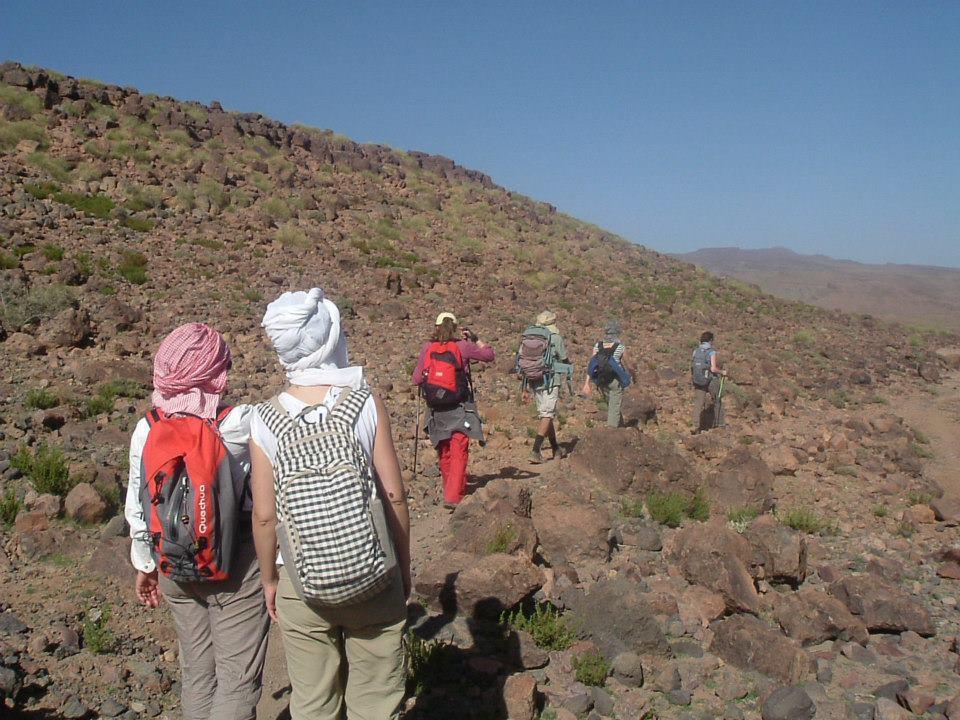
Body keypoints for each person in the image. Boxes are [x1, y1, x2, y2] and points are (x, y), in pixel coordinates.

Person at [250, 288, 411, 720]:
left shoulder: (263, 420)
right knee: (377, 702)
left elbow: (265, 516)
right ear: (331, 337)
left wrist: (269, 580)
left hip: (302, 585)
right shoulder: (364, 402)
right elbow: (394, 494)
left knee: (314, 704)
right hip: (374, 574)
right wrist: (404, 563)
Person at [125, 323, 269, 720]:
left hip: (174, 565)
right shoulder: (240, 423)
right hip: (235, 565)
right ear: (216, 372)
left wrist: (145, 563)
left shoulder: (147, 427)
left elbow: (138, 501)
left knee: (197, 672)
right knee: (237, 680)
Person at [411, 312, 495, 508]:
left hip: (436, 407)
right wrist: (476, 339)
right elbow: (489, 355)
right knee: (459, 449)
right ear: (455, 328)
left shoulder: (427, 347)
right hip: (458, 405)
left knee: (445, 449)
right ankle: (453, 496)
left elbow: (416, 379)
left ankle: (451, 489)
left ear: (437, 326)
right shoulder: (462, 346)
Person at [519, 310, 571, 463]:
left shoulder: (529, 336)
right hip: (550, 380)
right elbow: (564, 358)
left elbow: (523, 359)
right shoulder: (555, 337)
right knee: (547, 414)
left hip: (534, 378)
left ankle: (556, 448)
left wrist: (524, 387)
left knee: (545, 415)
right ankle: (536, 450)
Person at [584, 321, 631, 428]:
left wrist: (587, 383)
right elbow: (629, 365)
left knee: (613, 405)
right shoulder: (620, 347)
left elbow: (591, 364)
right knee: (614, 406)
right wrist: (633, 376)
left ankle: (621, 427)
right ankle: (612, 431)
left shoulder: (598, 346)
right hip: (615, 380)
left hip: (601, 380)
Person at [692, 330, 727, 433]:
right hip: (710, 379)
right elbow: (713, 369)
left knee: (698, 402)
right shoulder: (711, 352)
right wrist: (722, 372)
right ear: (711, 340)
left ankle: (695, 425)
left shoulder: (696, 351)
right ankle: (720, 425)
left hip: (698, 380)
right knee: (717, 400)